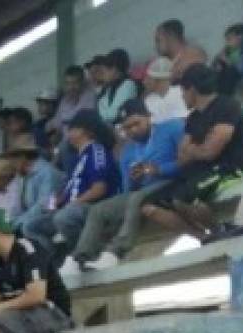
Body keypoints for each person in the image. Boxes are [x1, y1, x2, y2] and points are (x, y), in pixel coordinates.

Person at [68, 98, 185, 272]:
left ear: (148, 117)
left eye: (136, 123)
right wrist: (134, 179)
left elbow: (187, 162)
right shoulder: (128, 151)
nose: (133, 130)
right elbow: (127, 190)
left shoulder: (172, 128)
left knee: (137, 198)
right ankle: (80, 258)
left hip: (172, 182)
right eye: (127, 127)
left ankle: (115, 252)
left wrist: (158, 169)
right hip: (144, 190)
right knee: (98, 210)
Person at [142, 64, 243, 243]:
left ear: (191, 89)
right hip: (196, 173)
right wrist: (199, 148)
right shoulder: (193, 117)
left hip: (228, 169)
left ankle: (219, 231)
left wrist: (194, 149)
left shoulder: (227, 106)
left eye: (183, 91)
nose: (182, 96)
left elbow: (210, 152)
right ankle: (204, 237)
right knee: (148, 206)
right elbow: (182, 155)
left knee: (182, 199)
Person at [24, 109, 120, 266]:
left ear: (86, 131)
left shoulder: (97, 151)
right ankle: (52, 264)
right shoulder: (79, 158)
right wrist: (54, 203)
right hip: (73, 208)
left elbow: (99, 189)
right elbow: (67, 193)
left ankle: (85, 254)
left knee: (64, 216)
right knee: (32, 226)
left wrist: (72, 203)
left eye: (72, 128)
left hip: (96, 208)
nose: (68, 132)